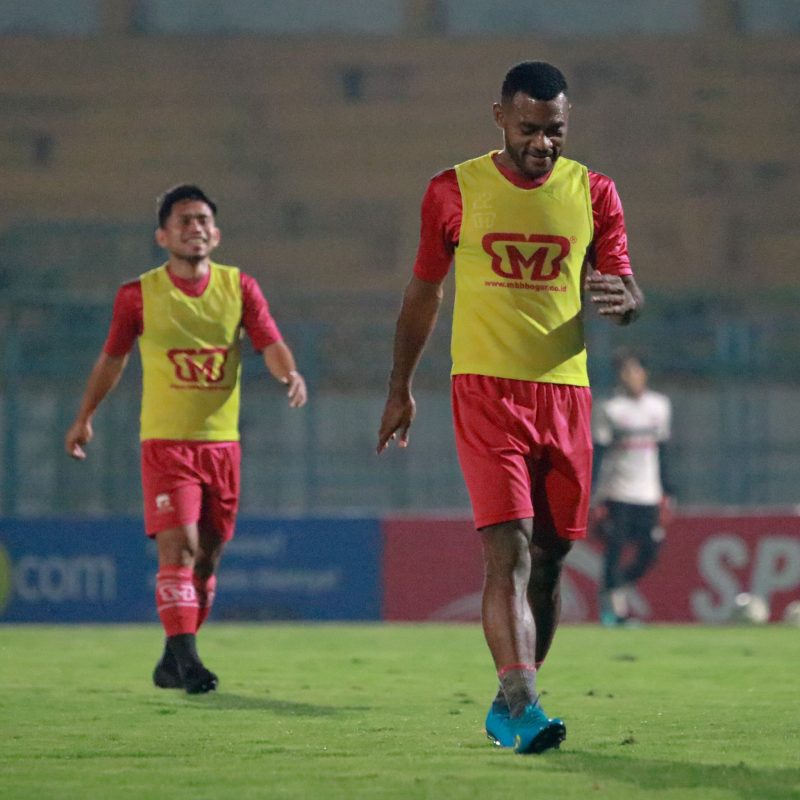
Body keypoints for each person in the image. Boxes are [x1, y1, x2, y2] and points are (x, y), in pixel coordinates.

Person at [376, 61, 643, 754]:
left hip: (566, 394)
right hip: (486, 391)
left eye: (555, 130)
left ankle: (510, 701)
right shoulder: (452, 190)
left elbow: (622, 287)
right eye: (529, 128)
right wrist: (401, 386)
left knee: (551, 560)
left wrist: (626, 302)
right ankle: (524, 705)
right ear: (499, 117)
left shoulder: (595, 193)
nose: (542, 144)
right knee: (510, 548)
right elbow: (424, 293)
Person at [65, 185, 307, 694]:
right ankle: (191, 665)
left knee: (207, 559)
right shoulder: (137, 295)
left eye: (202, 220)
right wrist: (85, 416)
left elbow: (270, 342)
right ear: (162, 236)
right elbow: (113, 359)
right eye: (184, 220)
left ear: (216, 234)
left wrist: (289, 374)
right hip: (167, 444)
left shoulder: (239, 287)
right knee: (179, 550)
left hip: (222, 446)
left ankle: (170, 658)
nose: (195, 228)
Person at [592, 349, 674, 626]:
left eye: (635, 370)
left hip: (648, 492)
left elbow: (662, 450)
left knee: (650, 550)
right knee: (614, 548)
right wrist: (594, 493)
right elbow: (599, 452)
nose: (631, 376)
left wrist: (667, 489)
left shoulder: (659, 406)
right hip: (618, 491)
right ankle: (614, 611)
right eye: (625, 371)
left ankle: (617, 587)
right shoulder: (610, 409)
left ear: (644, 373)